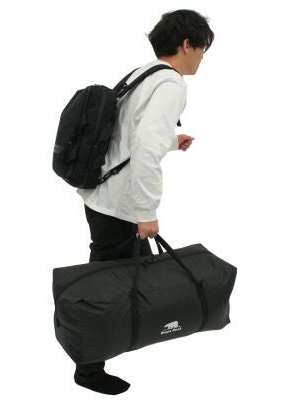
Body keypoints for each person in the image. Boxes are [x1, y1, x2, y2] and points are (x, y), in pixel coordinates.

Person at [73, 9, 214, 395]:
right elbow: (145, 147)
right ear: (187, 44)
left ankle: (114, 339)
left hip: (101, 195)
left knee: (115, 276)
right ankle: (88, 368)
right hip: (121, 204)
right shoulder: (171, 84)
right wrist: (146, 211)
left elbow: (128, 133)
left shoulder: (143, 74)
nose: (202, 57)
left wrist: (173, 140)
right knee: (106, 285)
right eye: (202, 48)